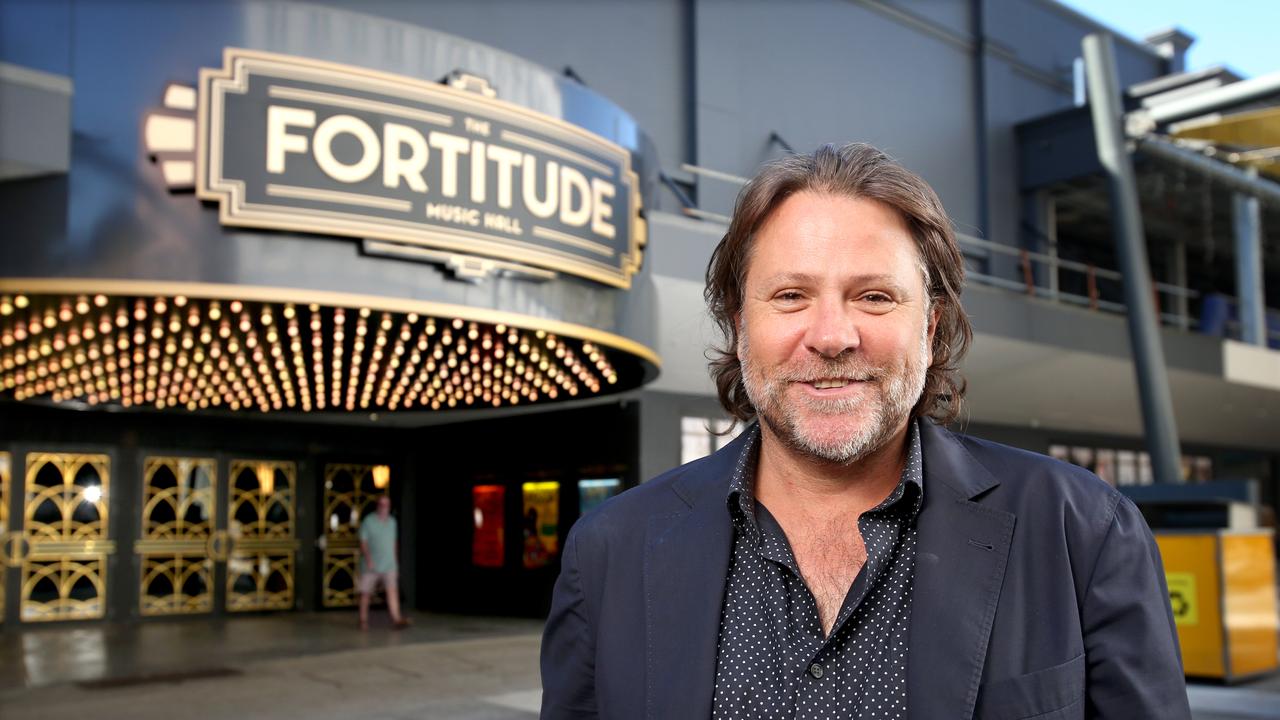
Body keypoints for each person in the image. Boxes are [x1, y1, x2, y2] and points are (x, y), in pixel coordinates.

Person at [540, 143, 1189, 719]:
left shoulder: (1085, 533)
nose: (831, 337)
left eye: (874, 296)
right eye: (791, 295)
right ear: (740, 330)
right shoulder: (608, 553)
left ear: (930, 330)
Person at [358, 494, 410, 630]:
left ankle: (397, 619)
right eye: (382, 504)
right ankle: (363, 620)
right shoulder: (368, 521)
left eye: (387, 505)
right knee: (366, 593)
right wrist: (368, 559)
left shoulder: (392, 522)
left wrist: (395, 563)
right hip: (371, 564)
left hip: (389, 564)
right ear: (377, 506)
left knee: (392, 591)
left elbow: (394, 543)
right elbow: (363, 542)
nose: (384, 507)